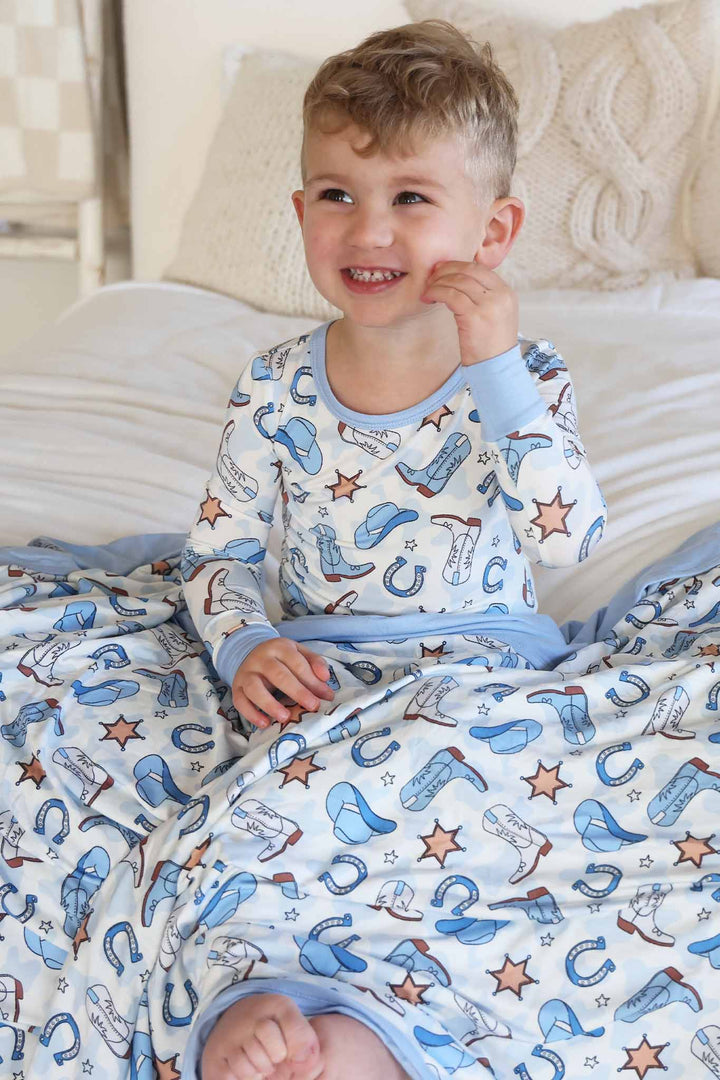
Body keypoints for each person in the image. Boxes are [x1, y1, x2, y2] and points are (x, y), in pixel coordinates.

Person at [181, 18, 607, 1080]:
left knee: (494, 833)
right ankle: (263, 1002)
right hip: (326, 677)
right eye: (338, 193)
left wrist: (498, 369)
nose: (368, 230)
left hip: (479, 673)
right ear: (301, 213)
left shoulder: (523, 377)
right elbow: (219, 556)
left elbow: (568, 536)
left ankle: (391, 1033)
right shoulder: (274, 386)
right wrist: (244, 645)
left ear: (493, 232)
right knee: (252, 820)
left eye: (411, 197)